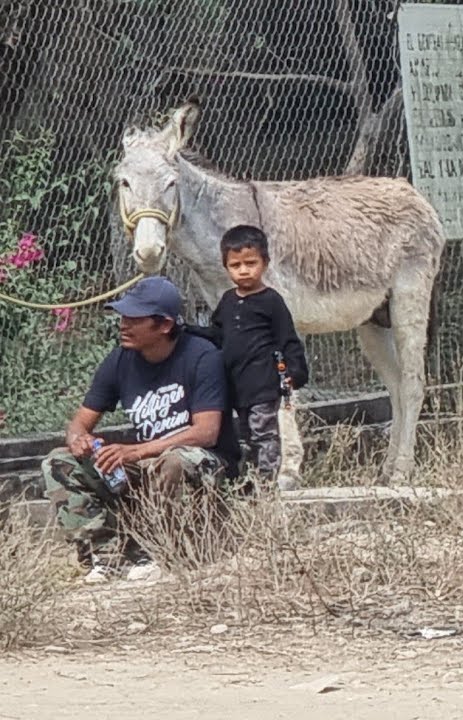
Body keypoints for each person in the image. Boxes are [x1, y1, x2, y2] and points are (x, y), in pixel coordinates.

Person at [41, 276, 242, 583]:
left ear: (164, 325)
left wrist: (137, 451)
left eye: (134, 318)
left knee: (174, 459)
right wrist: (78, 439)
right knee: (59, 462)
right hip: (147, 464)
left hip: (203, 465)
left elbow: (206, 432)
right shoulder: (120, 359)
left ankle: (176, 551)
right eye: (122, 317)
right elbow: (80, 421)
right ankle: (110, 555)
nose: (123, 325)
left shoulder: (203, 356)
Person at [194, 225, 308, 489]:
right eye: (235, 265)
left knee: (264, 433)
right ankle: (251, 481)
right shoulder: (227, 301)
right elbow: (217, 335)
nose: (243, 270)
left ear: (265, 263)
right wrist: (188, 331)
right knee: (245, 434)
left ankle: (267, 486)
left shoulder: (271, 301)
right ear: (226, 267)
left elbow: (288, 339)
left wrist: (295, 372)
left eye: (250, 263)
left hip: (263, 384)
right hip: (236, 384)